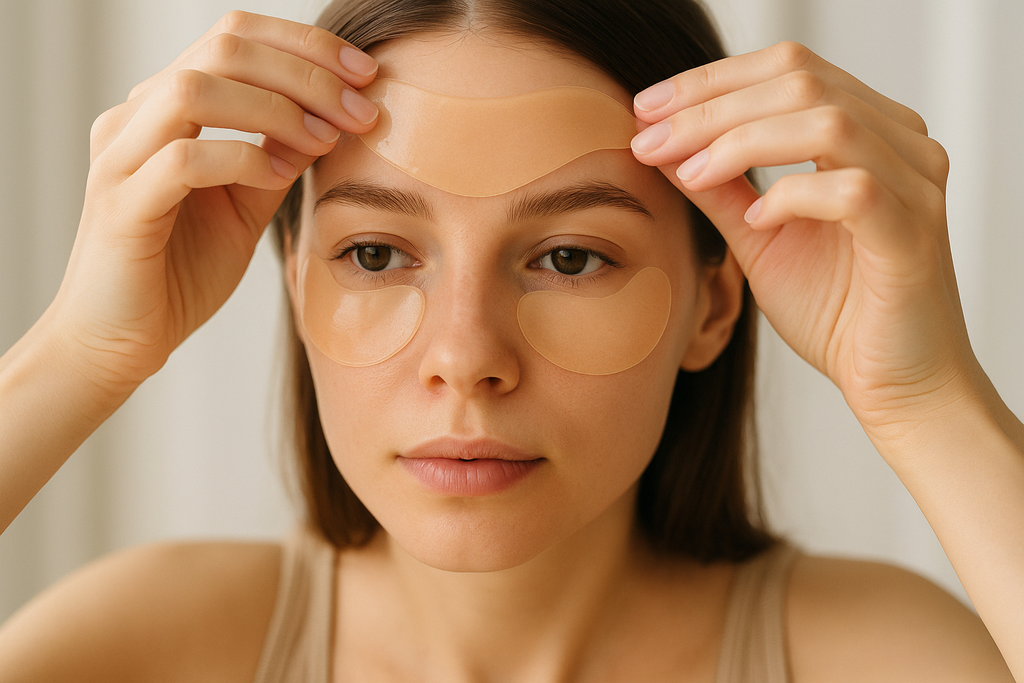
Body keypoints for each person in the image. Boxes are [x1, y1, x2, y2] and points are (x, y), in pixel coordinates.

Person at [0, 0, 1020, 680]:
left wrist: (923, 392)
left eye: (570, 257)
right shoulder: (154, 646)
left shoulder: (871, 654)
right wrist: (80, 352)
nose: (465, 354)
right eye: (374, 253)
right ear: (294, 289)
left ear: (715, 304)